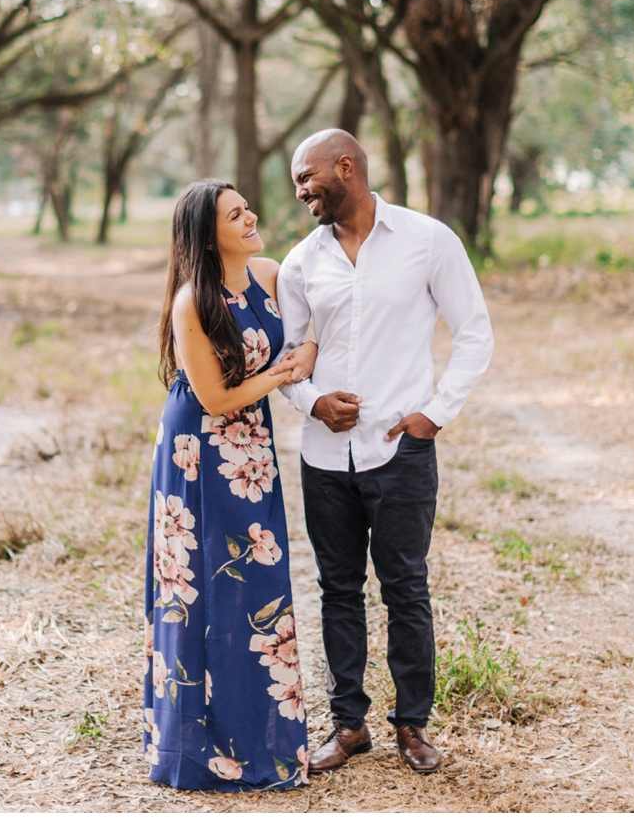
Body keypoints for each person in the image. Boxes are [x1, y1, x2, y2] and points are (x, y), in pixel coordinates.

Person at [276, 130, 494, 775]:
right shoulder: (299, 263)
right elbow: (289, 362)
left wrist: (434, 413)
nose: (300, 191)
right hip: (323, 457)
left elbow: (475, 333)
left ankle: (412, 725)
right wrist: (312, 401)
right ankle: (349, 726)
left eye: (306, 177)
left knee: (406, 588)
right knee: (337, 589)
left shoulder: (429, 241)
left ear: (346, 167)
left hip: (401, 451)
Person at [144, 179, 315, 791]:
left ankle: (261, 739)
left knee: (256, 582)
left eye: (246, 209)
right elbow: (215, 399)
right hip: (199, 451)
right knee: (201, 590)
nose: (250, 219)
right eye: (234, 215)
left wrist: (305, 353)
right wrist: (281, 375)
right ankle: (198, 749)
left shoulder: (269, 273)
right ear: (206, 235)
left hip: (251, 450)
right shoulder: (193, 301)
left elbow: (306, 330)